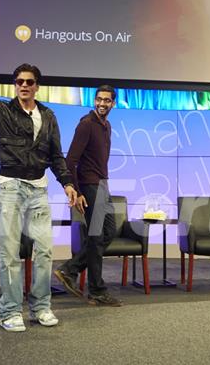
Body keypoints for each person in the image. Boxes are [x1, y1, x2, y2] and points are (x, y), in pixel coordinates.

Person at [0, 48, 77, 332]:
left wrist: (68, 183)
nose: (24, 85)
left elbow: (56, 155)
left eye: (29, 81)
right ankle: (10, 311)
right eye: (19, 82)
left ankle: (41, 307)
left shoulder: (48, 115)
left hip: (38, 188)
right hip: (11, 186)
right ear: (15, 85)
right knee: (10, 252)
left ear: (37, 86)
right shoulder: (2, 110)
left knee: (45, 251)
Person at [53, 85, 123, 307]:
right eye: (99, 100)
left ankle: (70, 270)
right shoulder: (86, 124)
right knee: (95, 236)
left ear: (113, 103)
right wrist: (78, 191)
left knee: (107, 232)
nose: (102, 104)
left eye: (107, 101)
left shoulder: (106, 126)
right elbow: (71, 160)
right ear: (94, 101)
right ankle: (96, 290)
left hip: (101, 185)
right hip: (90, 186)